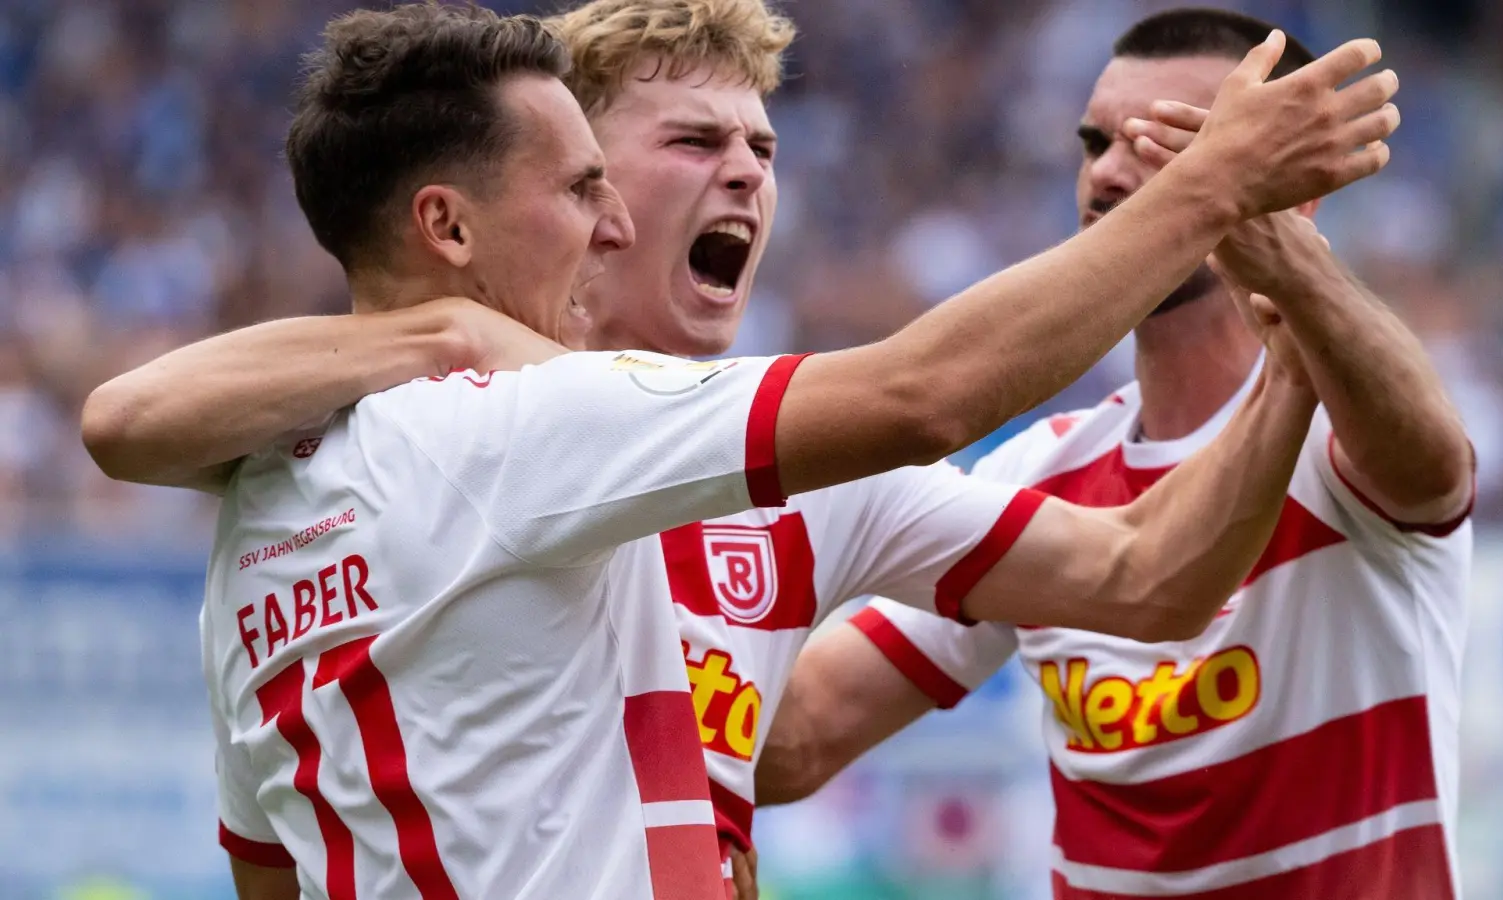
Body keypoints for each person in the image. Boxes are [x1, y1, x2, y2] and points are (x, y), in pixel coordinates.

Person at [78, 3, 1401, 898]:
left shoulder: (271, 491)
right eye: (684, 146)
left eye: (764, 146)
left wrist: (1291, 350)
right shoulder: (526, 427)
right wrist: (1209, 182)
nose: (749, 177)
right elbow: (929, 390)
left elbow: (1145, 582)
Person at [754, 10, 1475, 900]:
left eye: (1169, 145)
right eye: (1094, 142)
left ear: (1297, 193)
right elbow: (803, 734)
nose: (1108, 171)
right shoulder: (1042, 473)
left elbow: (1435, 465)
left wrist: (1296, 270)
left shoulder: (1340, 430)